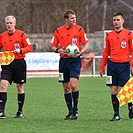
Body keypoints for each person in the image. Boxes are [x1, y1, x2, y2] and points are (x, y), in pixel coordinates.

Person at [50, 9, 88, 120]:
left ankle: (75, 110)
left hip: (75, 60)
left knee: (73, 85)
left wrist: (81, 52)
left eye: (75, 17)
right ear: (66, 19)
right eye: (72, 18)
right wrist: (58, 50)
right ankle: (70, 111)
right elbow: (52, 46)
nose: (74, 19)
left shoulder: (79, 29)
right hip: (63, 61)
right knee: (66, 88)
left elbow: (86, 44)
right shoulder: (58, 31)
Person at [99, 12, 133, 121]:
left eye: (118, 20)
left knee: (124, 89)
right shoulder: (109, 35)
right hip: (112, 65)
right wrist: (102, 66)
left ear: (123, 21)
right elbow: (106, 52)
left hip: (124, 65)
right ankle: (116, 114)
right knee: (113, 90)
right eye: (114, 20)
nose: (116, 22)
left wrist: (132, 65)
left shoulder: (129, 34)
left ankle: (131, 106)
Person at [0, 15, 32, 119]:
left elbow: (29, 47)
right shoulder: (2, 36)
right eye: (7, 23)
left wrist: (20, 50)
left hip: (19, 63)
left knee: (19, 87)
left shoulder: (22, 35)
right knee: (3, 85)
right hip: (7, 63)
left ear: (15, 23)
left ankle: (19, 111)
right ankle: (1, 111)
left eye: (11, 23)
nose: (9, 25)